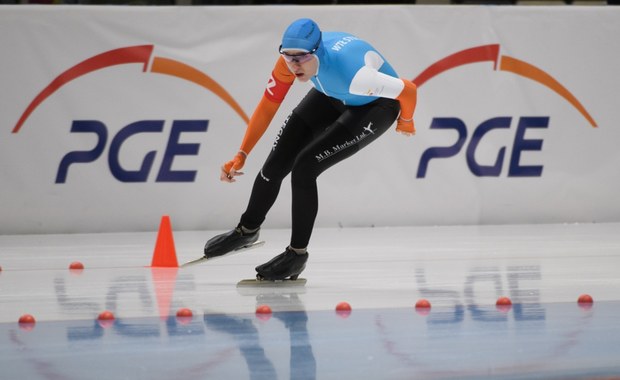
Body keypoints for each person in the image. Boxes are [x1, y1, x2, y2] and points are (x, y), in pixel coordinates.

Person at [203, 18, 417, 281]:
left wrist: (406, 122)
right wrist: (242, 153)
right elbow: (269, 105)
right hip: (332, 93)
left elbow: (408, 90)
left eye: (301, 58)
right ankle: (246, 230)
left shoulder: (356, 76)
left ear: (317, 52)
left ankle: (296, 255)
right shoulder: (289, 63)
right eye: (288, 57)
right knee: (276, 163)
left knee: (304, 168)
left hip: (375, 105)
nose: (294, 66)